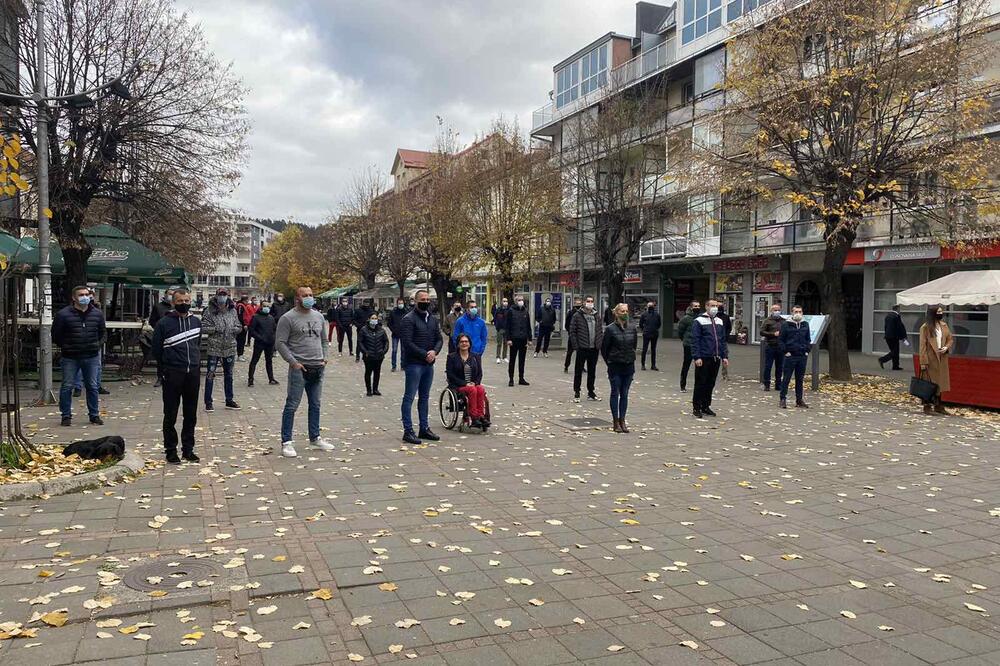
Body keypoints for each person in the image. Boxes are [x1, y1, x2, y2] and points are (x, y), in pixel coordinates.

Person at [276, 286, 333, 457]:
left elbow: (324, 339)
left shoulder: (318, 316)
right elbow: (280, 343)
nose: (308, 298)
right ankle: (286, 442)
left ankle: (315, 437)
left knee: (315, 404)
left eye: (311, 295)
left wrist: (325, 358)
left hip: (318, 366)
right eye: (305, 295)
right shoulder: (288, 318)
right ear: (297, 298)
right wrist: (293, 362)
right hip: (299, 368)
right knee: (292, 404)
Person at [151, 288, 201, 464]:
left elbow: (196, 344)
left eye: (187, 300)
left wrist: (195, 363)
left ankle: (188, 449)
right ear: (173, 303)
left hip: (193, 373)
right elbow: (156, 349)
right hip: (173, 373)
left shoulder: (196, 322)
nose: (184, 304)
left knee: (191, 414)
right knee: (170, 414)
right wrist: (164, 369)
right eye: (180, 301)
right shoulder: (164, 323)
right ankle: (170, 450)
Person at [52, 285, 106, 427]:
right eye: (81, 295)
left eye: (86, 294)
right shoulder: (63, 315)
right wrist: (66, 346)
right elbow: (56, 334)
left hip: (91, 355)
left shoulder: (97, 314)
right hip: (70, 356)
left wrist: (96, 344)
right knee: (67, 386)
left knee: (93, 386)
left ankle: (94, 415)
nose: (85, 297)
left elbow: (102, 332)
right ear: (74, 298)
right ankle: (66, 416)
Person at [399, 289, 443, 444]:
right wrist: (425, 354)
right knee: (409, 397)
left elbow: (439, 339)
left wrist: (434, 351)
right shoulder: (408, 319)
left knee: (424, 397)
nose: (426, 302)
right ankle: (408, 430)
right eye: (422, 299)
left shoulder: (432, 319)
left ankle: (424, 428)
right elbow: (407, 343)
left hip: (428, 364)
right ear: (415, 301)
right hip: (414, 364)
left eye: (428, 299)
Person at [201, 287, 242, 411]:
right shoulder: (209, 311)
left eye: (225, 294)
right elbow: (203, 327)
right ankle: (208, 402)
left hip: (229, 347)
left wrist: (235, 329)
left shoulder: (232, 310)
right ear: (216, 295)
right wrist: (215, 329)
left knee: (229, 374)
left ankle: (229, 400)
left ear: (228, 296)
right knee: (210, 374)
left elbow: (239, 325)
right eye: (221, 294)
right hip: (214, 347)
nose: (223, 297)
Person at [602, 303, 637, 433]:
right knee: (615, 392)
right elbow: (604, 349)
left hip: (628, 366)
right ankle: (615, 421)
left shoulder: (632, 328)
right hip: (615, 366)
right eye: (622, 311)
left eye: (627, 311)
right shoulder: (610, 329)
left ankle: (623, 420)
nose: (625, 313)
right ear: (616, 313)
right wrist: (610, 362)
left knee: (625, 393)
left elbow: (634, 346)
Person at [691, 299, 729, 418]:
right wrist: (697, 357)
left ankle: (706, 406)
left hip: (715, 357)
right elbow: (695, 340)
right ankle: (696, 407)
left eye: (716, 306)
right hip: (704, 357)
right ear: (706, 306)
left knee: (710, 383)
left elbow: (722, 340)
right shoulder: (699, 321)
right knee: (700, 383)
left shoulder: (719, 321)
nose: (715, 308)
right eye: (712, 306)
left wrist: (724, 356)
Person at [446, 333, 489, 428]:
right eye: (461, 342)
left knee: (480, 388)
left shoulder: (475, 357)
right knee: (472, 390)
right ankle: (474, 417)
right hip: (459, 386)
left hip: (473, 384)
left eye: (466, 341)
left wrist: (475, 382)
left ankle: (481, 416)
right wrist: (465, 384)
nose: (464, 343)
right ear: (458, 344)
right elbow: (450, 375)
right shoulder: (452, 357)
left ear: (469, 344)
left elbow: (479, 374)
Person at [918, 305, 953, 415]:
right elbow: (922, 345)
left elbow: (950, 339)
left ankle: (939, 405)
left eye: (941, 312)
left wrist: (946, 347)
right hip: (930, 358)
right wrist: (923, 362)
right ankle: (927, 405)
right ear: (933, 313)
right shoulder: (925, 327)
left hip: (941, 358)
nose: (940, 314)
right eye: (938, 312)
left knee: (940, 383)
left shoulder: (944, 325)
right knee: (929, 383)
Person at [569, 295, 603, 401]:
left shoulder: (596, 315)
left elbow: (600, 330)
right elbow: (572, 331)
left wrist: (599, 343)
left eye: (592, 301)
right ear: (584, 303)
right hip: (582, 347)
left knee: (592, 371)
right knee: (578, 371)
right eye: (588, 301)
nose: (590, 303)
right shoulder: (577, 315)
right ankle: (577, 392)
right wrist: (576, 346)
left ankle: (591, 392)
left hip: (594, 348)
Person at [778, 305, 811, 409]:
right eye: (796, 311)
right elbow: (781, 340)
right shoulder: (786, 325)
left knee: (799, 379)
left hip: (802, 356)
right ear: (792, 313)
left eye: (800, 311)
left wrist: (807, 350)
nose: (798, 313)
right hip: (790, 356)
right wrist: (786, 351)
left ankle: (799, 400)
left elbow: (808, 338)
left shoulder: (805, 324)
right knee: (786, 378)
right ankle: (783, 399)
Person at [248, 301, 279, 386]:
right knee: (255, 360)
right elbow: (251, 330)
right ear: (261, 306)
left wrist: (273, 338)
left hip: (270, 343)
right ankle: (250, 379)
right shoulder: (256, 317)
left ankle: (271, 378)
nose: (267, 308)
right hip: (259, 343)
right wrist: (259, 338)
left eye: (268, 306)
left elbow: (274, 329)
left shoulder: (271, 318)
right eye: (265, 306)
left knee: (269, 360)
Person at [149, 288, 175, 387]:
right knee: (160, 358)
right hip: (161, 336)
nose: (171, 296)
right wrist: (159, 329)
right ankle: (160, 377)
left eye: (173, 294)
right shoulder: (158, 307)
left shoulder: (176, 307)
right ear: (165, 294)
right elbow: (152, 321)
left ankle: (171, 377)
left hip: (174, 336)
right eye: (169, 294)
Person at [359, 311, 389, 396]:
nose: (374, 320)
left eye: (376, 318)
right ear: (369, 319)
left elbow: (386, 341)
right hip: (368, 356)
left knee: (377, 372)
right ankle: (369, 390)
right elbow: (360, 342)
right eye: (372, 318)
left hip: (379, 355)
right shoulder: (363, 330)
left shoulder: (381, 330)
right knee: (368, 372)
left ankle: (375, 389)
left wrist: (384, 351)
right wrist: (365, 352)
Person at [505, 295, 532, 387]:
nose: (521, 301)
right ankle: (511, 379)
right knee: (512, 360)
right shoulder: (511, 311)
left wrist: (530, 339)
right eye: (519, 300)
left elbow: (528, 326)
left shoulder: (525, 311)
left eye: (522, 300)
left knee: (522, 360)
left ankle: (521, 378)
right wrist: (508, 339)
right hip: (514, 339)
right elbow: (507, 326)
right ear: (515, 301)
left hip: (523, 339)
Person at [676, 301, 700, 392]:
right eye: (695, 306)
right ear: (690, 307)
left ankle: (698, 386)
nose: (697, 307)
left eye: (698, 306)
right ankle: (683, 385)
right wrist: (685, 340)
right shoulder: (686, 319)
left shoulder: (701, 318)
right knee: (686, 364)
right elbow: (680, 331)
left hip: (698, 345)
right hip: (688, 345)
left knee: (699, 365)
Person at [759, 303, 784, 391]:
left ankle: (778, 385)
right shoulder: (767, 320)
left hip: (780, 347)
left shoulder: (783, 321)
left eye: (778, 310)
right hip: (770, 345)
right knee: (768, 366)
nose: (777, 312)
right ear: (771, 311)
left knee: (780, 367)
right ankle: (767, 384)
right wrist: (773, 334)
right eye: (775, 310)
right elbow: (762, 332)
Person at [879, 305, 908, 370]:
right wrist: (903, 337)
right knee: (895, 352)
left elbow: (886, 327)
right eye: (899, 309)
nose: (900, 310)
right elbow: (899, 327)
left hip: (888, 337)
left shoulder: (888, 316)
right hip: (894, 337)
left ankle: (895, 366)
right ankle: (882, 360)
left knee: (894, 351)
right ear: (897, 309)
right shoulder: (896, 316)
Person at [639, 301, 661, 371]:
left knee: (653, 350)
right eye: (650, 306)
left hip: (654, 334)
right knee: (644, 349)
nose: (651, 307)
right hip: (647, 334)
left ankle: (653, 365)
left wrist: (652, 329)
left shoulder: (657, 315)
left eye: (652, 306)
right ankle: (643, 365)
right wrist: (645, 329)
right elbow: (640, 324)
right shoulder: (644, 314)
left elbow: (659, 324)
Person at [388, 298, 409, 372]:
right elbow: (389, 323)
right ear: (397, 304)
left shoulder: (406, 312)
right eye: (399, 303)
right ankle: (393, 366)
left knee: (403, 350)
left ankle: (403, 365)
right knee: (394, 350)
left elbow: (409, 323)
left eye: (402, 303)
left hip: (404, 334)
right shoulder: (393, 312)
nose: (401, 304)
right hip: (395, 334)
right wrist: (393, 330)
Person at [235, 295, 256, 361]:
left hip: (244, 325)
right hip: (241, 326)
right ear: (245, 300)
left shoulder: (243, 305)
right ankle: (239, 355)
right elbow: (240, 316)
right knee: (241, 340)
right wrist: (244, 324)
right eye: (247, 300)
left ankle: (241, 354)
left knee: (243, 340)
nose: (248, 302)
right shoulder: (240, 306)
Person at [564, 297, 582, 373]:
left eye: (579, 304)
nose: (578, 305)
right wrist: (570, 332)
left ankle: (581, 367)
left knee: (581, 353)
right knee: (569, 352)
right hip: (572, 336)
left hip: (581, 336)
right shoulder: (571, 313)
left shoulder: (582, 313)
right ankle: (566, 366)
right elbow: (567, 324)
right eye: (577, 304)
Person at [492, 297, 510, 364]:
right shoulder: (499, 310)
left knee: (506, 343)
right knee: (499, 343)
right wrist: (497, 327)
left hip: (507, 329)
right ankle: (498, 357)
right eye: (504, 301)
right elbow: (495, 318)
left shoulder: (509, 310)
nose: (505, 302)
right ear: (502, 302)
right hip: (500, 329)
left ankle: (504, 357)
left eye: (506, 301)